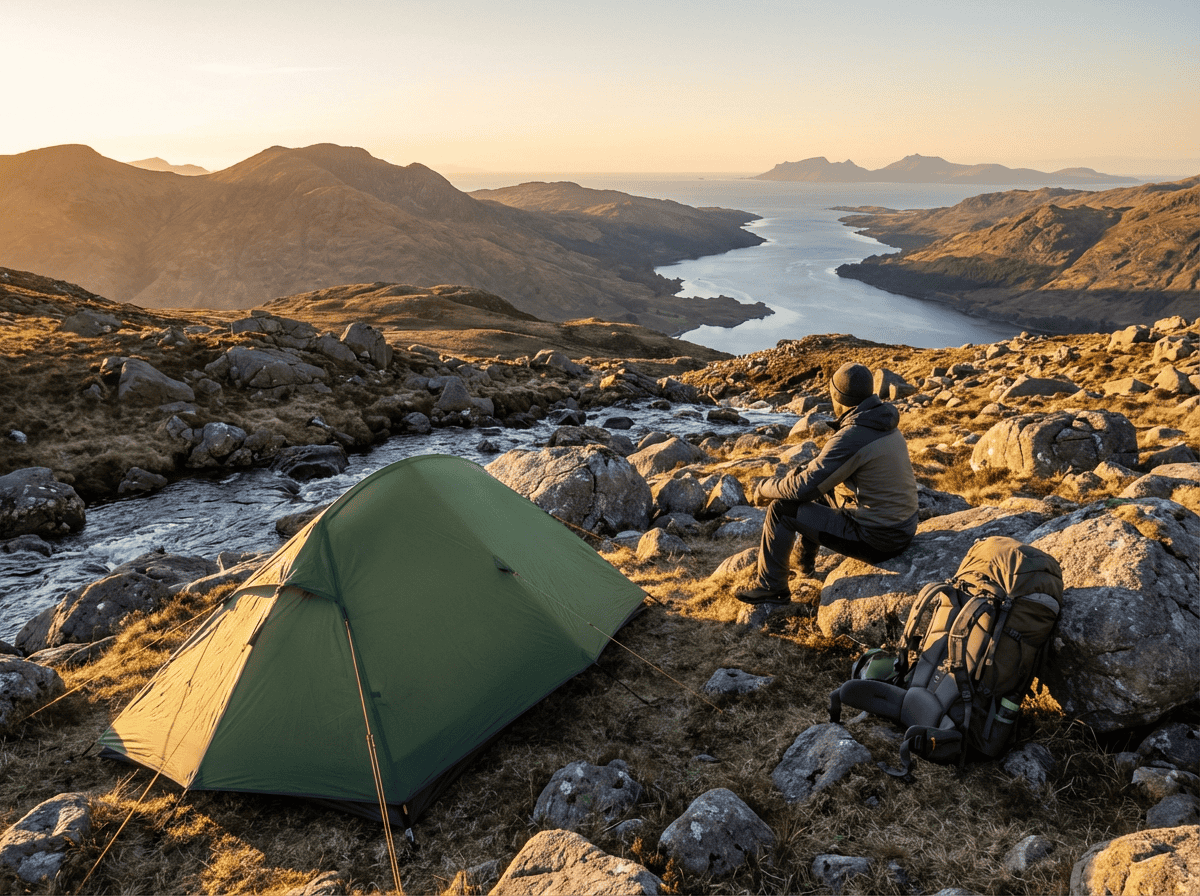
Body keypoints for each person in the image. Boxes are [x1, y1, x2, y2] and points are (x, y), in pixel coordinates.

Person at [735, 361, 919, 605]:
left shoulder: (853, 434)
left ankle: (772, 588)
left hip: (879, 540)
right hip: (903, 526)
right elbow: (822, 473)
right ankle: (803, 564)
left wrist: (763, 488)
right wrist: (801, 473)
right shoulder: (879, 420)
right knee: (822, 492)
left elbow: (803, 489)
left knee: (782, 509)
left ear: (837, 396)